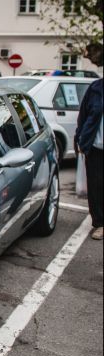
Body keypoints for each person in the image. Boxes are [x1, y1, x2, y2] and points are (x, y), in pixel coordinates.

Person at [74, 76, 103, 240]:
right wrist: (79, 138)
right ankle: (99, 223)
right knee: (96, 185)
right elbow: (83, 116)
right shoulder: (95, 89)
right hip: (96, 147)